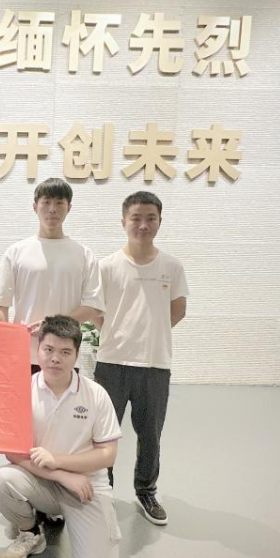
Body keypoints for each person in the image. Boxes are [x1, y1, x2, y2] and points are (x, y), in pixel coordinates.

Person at [0, 315, 121, 558]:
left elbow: (108, 455)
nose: (55, 358)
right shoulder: (22, 391)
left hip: (86, 488)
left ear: (76, 354)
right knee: (1, 479)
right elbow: (12, 451)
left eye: (65, 352)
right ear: (38, 350)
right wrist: (61, 475)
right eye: (48, 349)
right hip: (42, 481)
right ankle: (31, 534)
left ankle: (85, 530)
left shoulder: (96, 395)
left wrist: (59, 461)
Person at [94, 191, 189, 526]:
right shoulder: (107, 266)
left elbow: (178, 310)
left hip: (154, 365)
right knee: (103, 433)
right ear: (124, 221)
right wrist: (119, 334)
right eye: (136, 218)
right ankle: (102, 491)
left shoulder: (172, 267)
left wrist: (151, 333)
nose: (143, 225)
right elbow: (97, 311)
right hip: (112, 362)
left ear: (160, 222)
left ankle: (146, 490)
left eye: (151, 218)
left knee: (151, 434)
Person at [0, 178, 103, 372]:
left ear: (69, 207)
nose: (52, 209)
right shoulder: (16, 251)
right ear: (35, 206)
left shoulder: (83, 254)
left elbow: (92, 306)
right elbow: (0, 304)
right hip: (24, 354)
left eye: (59, 203)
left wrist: (53, 326)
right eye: (46, 202)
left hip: (65, 355)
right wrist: (7, 347)